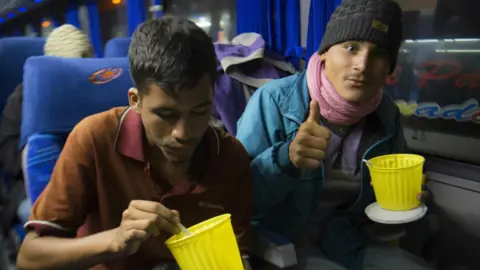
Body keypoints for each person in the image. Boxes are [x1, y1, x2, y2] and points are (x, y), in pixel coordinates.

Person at [17, 17, 252, 270]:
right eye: (166, 114)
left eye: (199, 112)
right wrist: (116, 240)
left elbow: (237, 258)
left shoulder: (230, 157)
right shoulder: (93, 139)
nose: (183, 133)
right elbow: (30, 257)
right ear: (135, 100)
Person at [237, 0, 434, 269]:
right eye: (351, 47)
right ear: (326, 52)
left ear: (389, 68)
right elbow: (238, 200)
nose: (362, 65)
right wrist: (286, 159)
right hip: (285, 243)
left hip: (349, 239)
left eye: (378, 53)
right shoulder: (273, 101)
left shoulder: (385, 113)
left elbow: (383, 197)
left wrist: (408, 197)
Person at [0, 24, 93, 227]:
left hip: (94, 180)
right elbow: (6, 150)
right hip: (36, 186)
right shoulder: (24, 97)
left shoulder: (98, 88)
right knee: (35, 214)